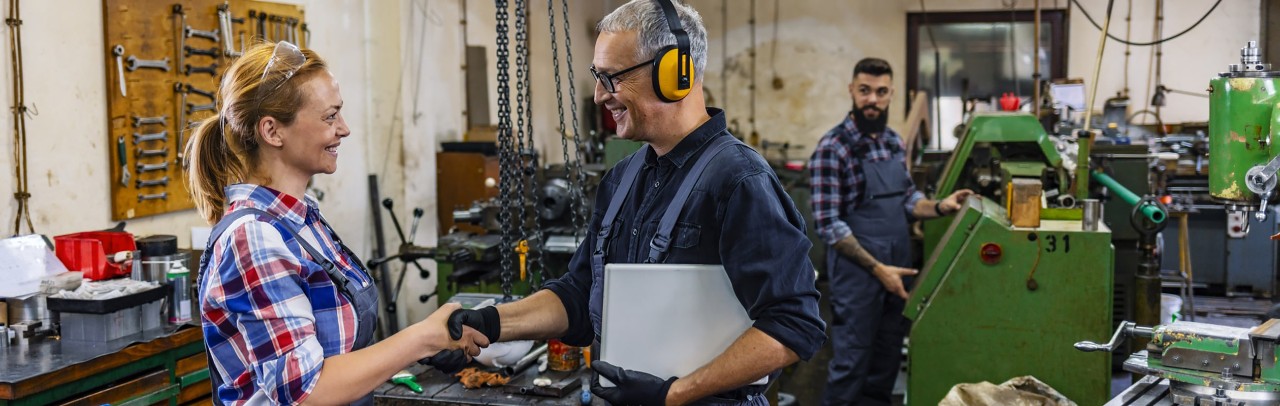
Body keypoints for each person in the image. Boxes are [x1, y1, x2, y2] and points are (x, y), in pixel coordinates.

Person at [432, 1, 826, 405]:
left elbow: (793, 326)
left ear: (676, 73)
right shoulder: (623, 177)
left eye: (612, 78)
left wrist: (673, 395)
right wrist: (490, 322)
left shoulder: (739, 180)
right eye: (597, 78)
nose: (601, 95)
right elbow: (580, 293)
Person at [187, 41, 488, 405]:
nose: (343, 129)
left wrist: (417, 350)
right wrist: (421, 338)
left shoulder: (301, 217)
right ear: (272, 131)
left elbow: (330, 348)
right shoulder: (254, 237)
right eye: (330, 117)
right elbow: (306, 392)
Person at [808, 57, 973, 405]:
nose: (872, 99)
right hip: (859, 277)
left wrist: (941, 206)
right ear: (852, 90)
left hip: (897, 272)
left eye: (881, 92)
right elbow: (828, 223)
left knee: (885, 363)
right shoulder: (832, 148)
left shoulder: (893, 142)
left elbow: (908, 199)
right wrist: (878, 269)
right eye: (865, 90)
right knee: (851, 363)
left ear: (891, 94)